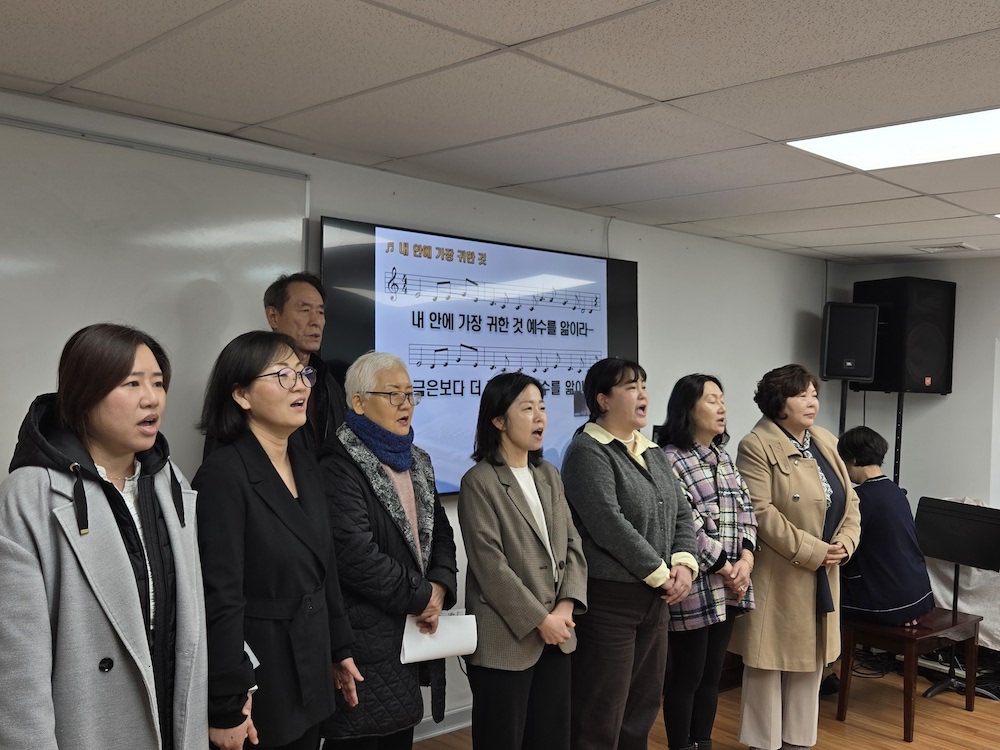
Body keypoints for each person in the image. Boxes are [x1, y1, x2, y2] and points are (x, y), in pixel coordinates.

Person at [0, 323, 207, 750]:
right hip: (88, 727)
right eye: (131, 383)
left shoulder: (168, 479)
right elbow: (17, 668)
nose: (152, 398)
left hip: (173, 721)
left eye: (158, 383)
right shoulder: (31, 494)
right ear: (84, 394)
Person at [195, 330, 360, 750]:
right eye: (282, 375)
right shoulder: (222, 475)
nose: (301, 385)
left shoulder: (305, 463)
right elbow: (220, 598)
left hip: (311, 655)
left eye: (303, 374)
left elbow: (326, 566)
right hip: (261, 670)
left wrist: (339, 647)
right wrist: (228, 700)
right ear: (241, 394)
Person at [319, 351, 457, 749]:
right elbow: (354, 555)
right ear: (358, 402)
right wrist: (422, 595)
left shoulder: (418, 460)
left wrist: (440, 586)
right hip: (365, 637)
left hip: (412, 629)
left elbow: (441, 534)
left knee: (400, 733)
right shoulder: (337, 463)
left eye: (411, 394)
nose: (406, 404)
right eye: (393, 394)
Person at [561, 357, 698, 750]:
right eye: (630, 387)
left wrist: (684, 563)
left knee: (642, 707)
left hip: (656, 599)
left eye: (643, 385)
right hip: (611, 600)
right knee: (601, 711)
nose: (643, 395)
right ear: (602, 400)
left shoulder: (651, 450)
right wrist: (661, 573)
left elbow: (681, 512)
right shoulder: (587, 451)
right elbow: (608, 524)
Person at [731, 364, 860, 750]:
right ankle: (763, 744)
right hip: (781, 571)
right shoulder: (755, 444)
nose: (812, 402)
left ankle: (799, 741)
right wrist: (814, 551)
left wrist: (846, 543)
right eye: (801, 395)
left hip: (825, 568)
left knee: (812, 659)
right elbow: (761, 513)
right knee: (768, 661)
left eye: (814, 394)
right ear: (779, 402)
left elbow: (851, 500)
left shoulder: (823, 439)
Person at [458, 372, 588, 750]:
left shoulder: (548, 474)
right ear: (499, 421)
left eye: (542, 407)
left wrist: (565, 607)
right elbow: (491, 567)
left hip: (558, 633)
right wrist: (541, 620)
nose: (540, 417)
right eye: (527, 408)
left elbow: (572, 544)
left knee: (551, 738)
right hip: (506, 640)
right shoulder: (479, 481)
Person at [657, 374, 757, 750]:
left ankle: (703, 742)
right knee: (688, 676)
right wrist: (728, 567)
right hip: (696, 584)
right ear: (688, 408)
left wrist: (746, 559)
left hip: (730, 583)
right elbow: (684, 525)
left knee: (712, 675)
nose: (722, 407)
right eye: (712, 400)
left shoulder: (722, 457)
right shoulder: (669, 459)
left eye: (722, 399)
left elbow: (747, 511)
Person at [837, 426, 934, 626]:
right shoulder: (896, 491)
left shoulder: (860, 498)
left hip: (890, 603)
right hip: (919, 596)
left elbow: (845, 549)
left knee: (816, 595)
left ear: (852, 459)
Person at [264, 272, 347, 451]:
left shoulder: (328, 382)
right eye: (305, 310)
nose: (316, 321)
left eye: (320, 312)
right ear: (273, 316)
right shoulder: (256, 380)